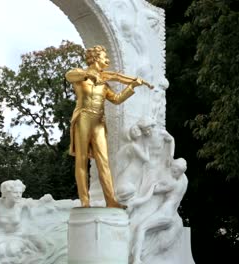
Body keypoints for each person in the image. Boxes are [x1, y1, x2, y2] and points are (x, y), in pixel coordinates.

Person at [65, 45, 152, 208]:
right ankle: (85, 201)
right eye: (105, 57)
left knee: (103, 161)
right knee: (81, 160)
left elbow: (117, 99)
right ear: (96, 58)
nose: (108, 60)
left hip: (98, 122)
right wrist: (87, 73)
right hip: (83, 118)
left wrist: (131, 86)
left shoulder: (104, 83)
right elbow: (68, 75)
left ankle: (111, 200)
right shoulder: (80, 76)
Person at [131, 158, 188, 264]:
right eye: (172, 170)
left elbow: (155, 191)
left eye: (175, 171)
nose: (172, 172)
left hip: (165, 213)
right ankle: (141, 254)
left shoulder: (173, 184)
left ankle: (136, 260)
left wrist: (152, 183)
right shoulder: (185, 181)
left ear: (180, 172)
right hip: (172, 215)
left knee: (141, 228)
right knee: (146, 231)